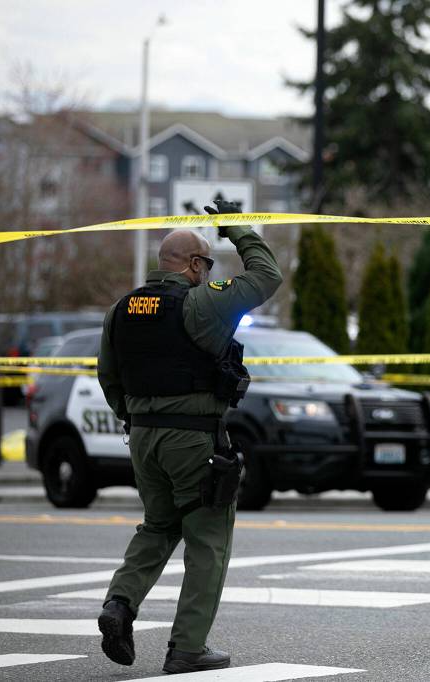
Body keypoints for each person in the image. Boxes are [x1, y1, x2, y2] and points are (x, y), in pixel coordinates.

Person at [95, 200, 282, 674]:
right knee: (208, 538)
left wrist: (137, 419)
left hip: (142, 439)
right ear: (195, 265)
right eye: (206, 263)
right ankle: (187, 648)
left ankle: (119, 603)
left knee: (158, 526)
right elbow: (267, 276)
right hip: (193, 439)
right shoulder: (201, 301)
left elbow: (108, 378)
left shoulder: (120, 310)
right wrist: (237, 226)